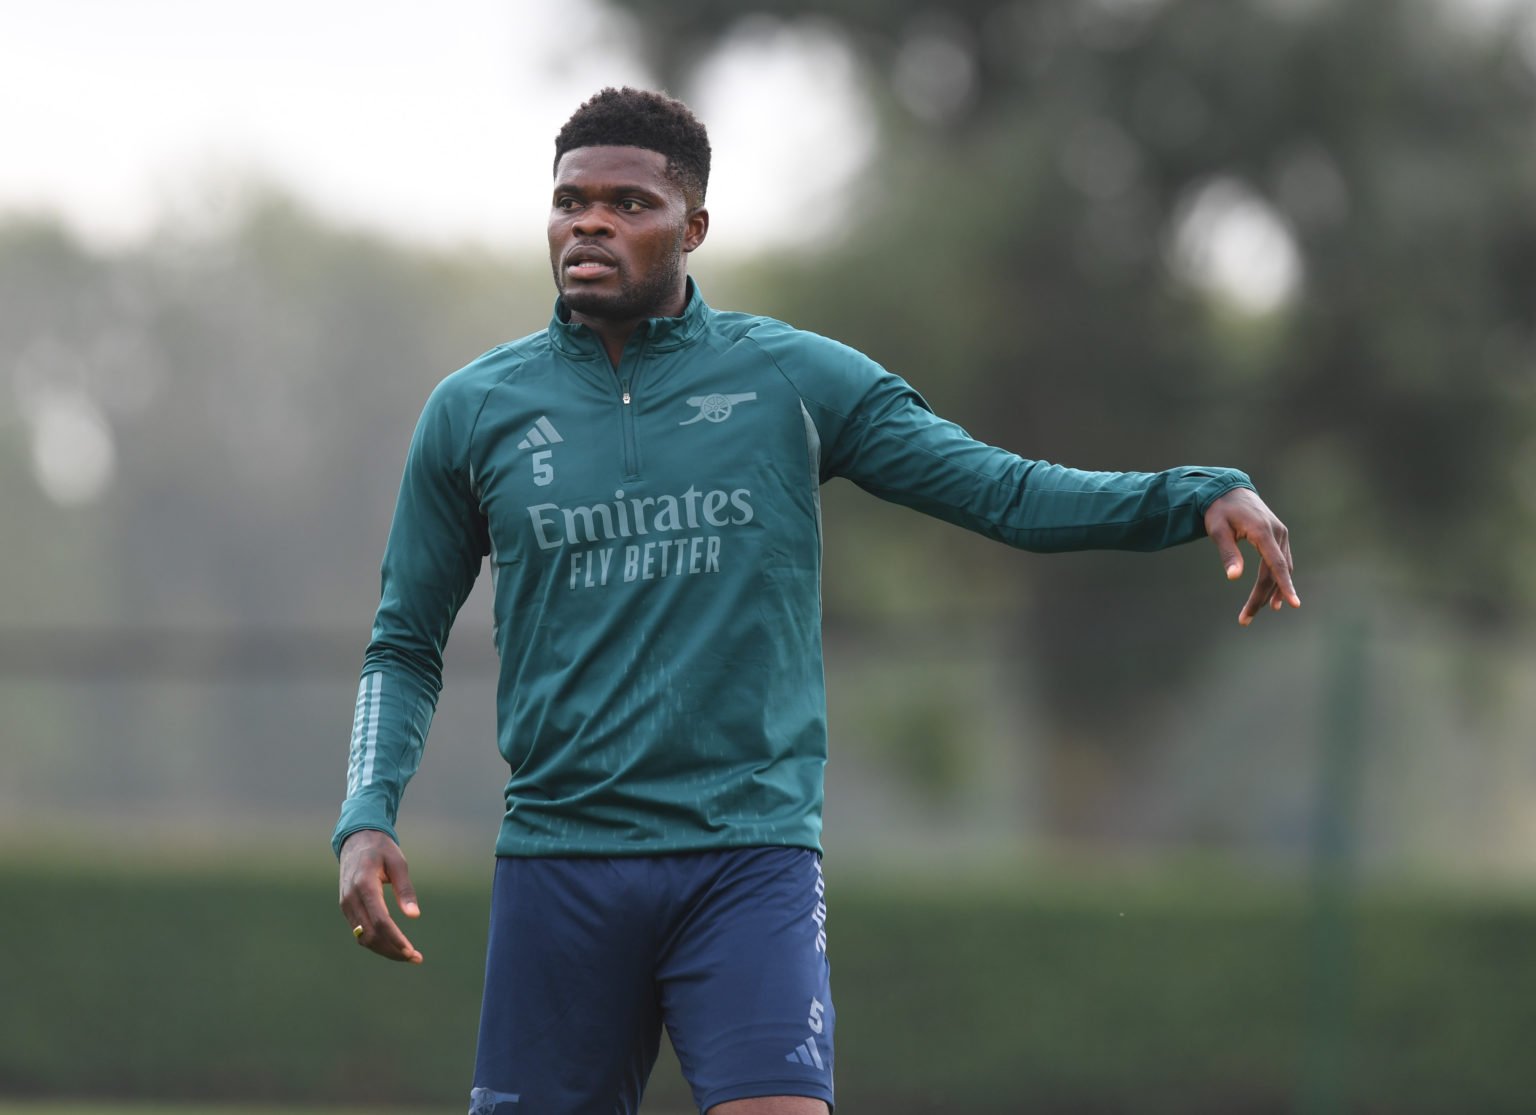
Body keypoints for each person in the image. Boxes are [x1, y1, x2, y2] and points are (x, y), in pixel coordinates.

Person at [334, 87, 1299, 1115]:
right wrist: (365, 813)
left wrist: (1194, 493)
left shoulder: (792, 380)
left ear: (693, 227)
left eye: (630, 203)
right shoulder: (474, 410)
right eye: (571, 200)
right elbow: (404, 642)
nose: (592, 223)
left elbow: (1003, 491)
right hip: (562, 862)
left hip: (747, 858)